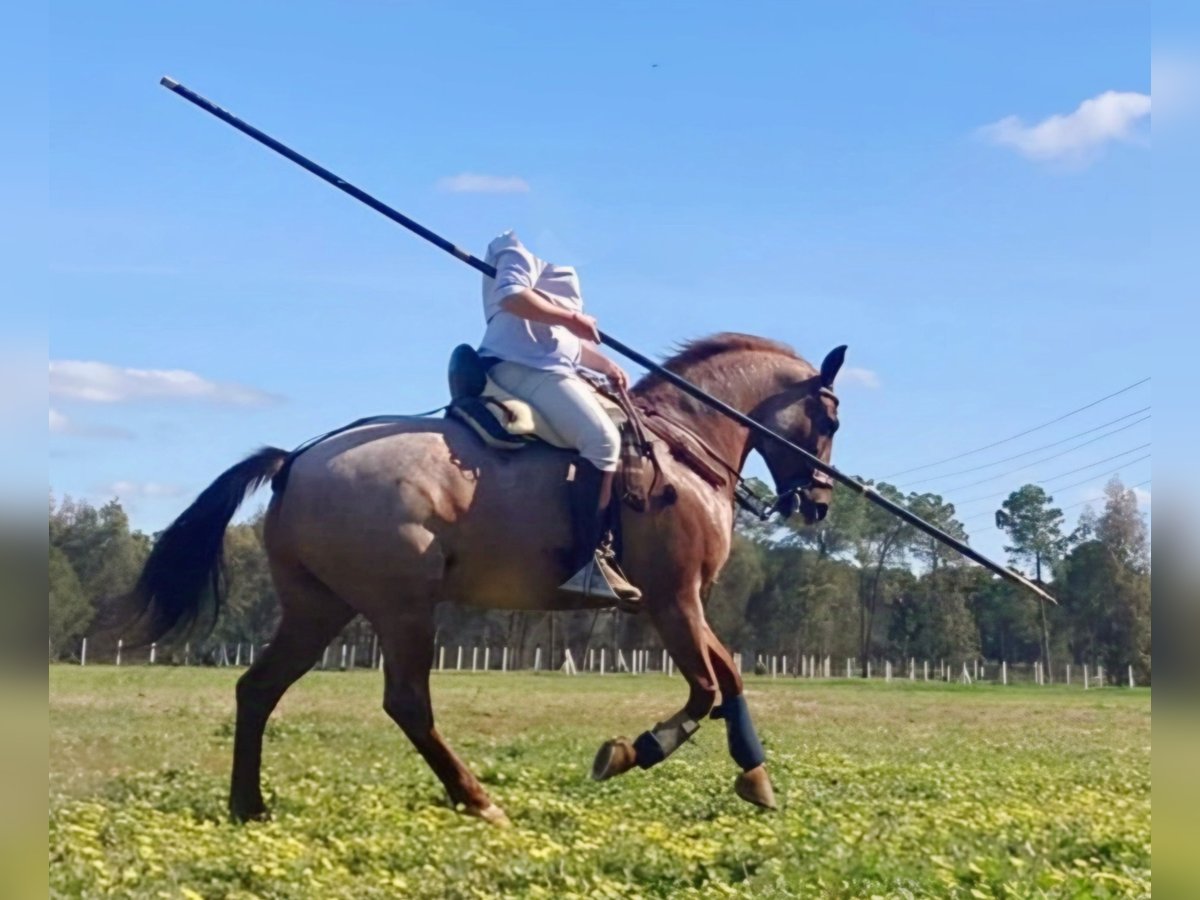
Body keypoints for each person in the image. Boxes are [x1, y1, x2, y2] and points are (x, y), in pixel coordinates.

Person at [478, 230, 641, 610]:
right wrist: (571, 317)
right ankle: (586, 565)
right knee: (602, 441)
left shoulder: (560, 256)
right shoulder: (524, 240)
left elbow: (558, 340)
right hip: (520, 368)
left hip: (550, 368)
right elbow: (513, 296)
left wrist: (604, 364)